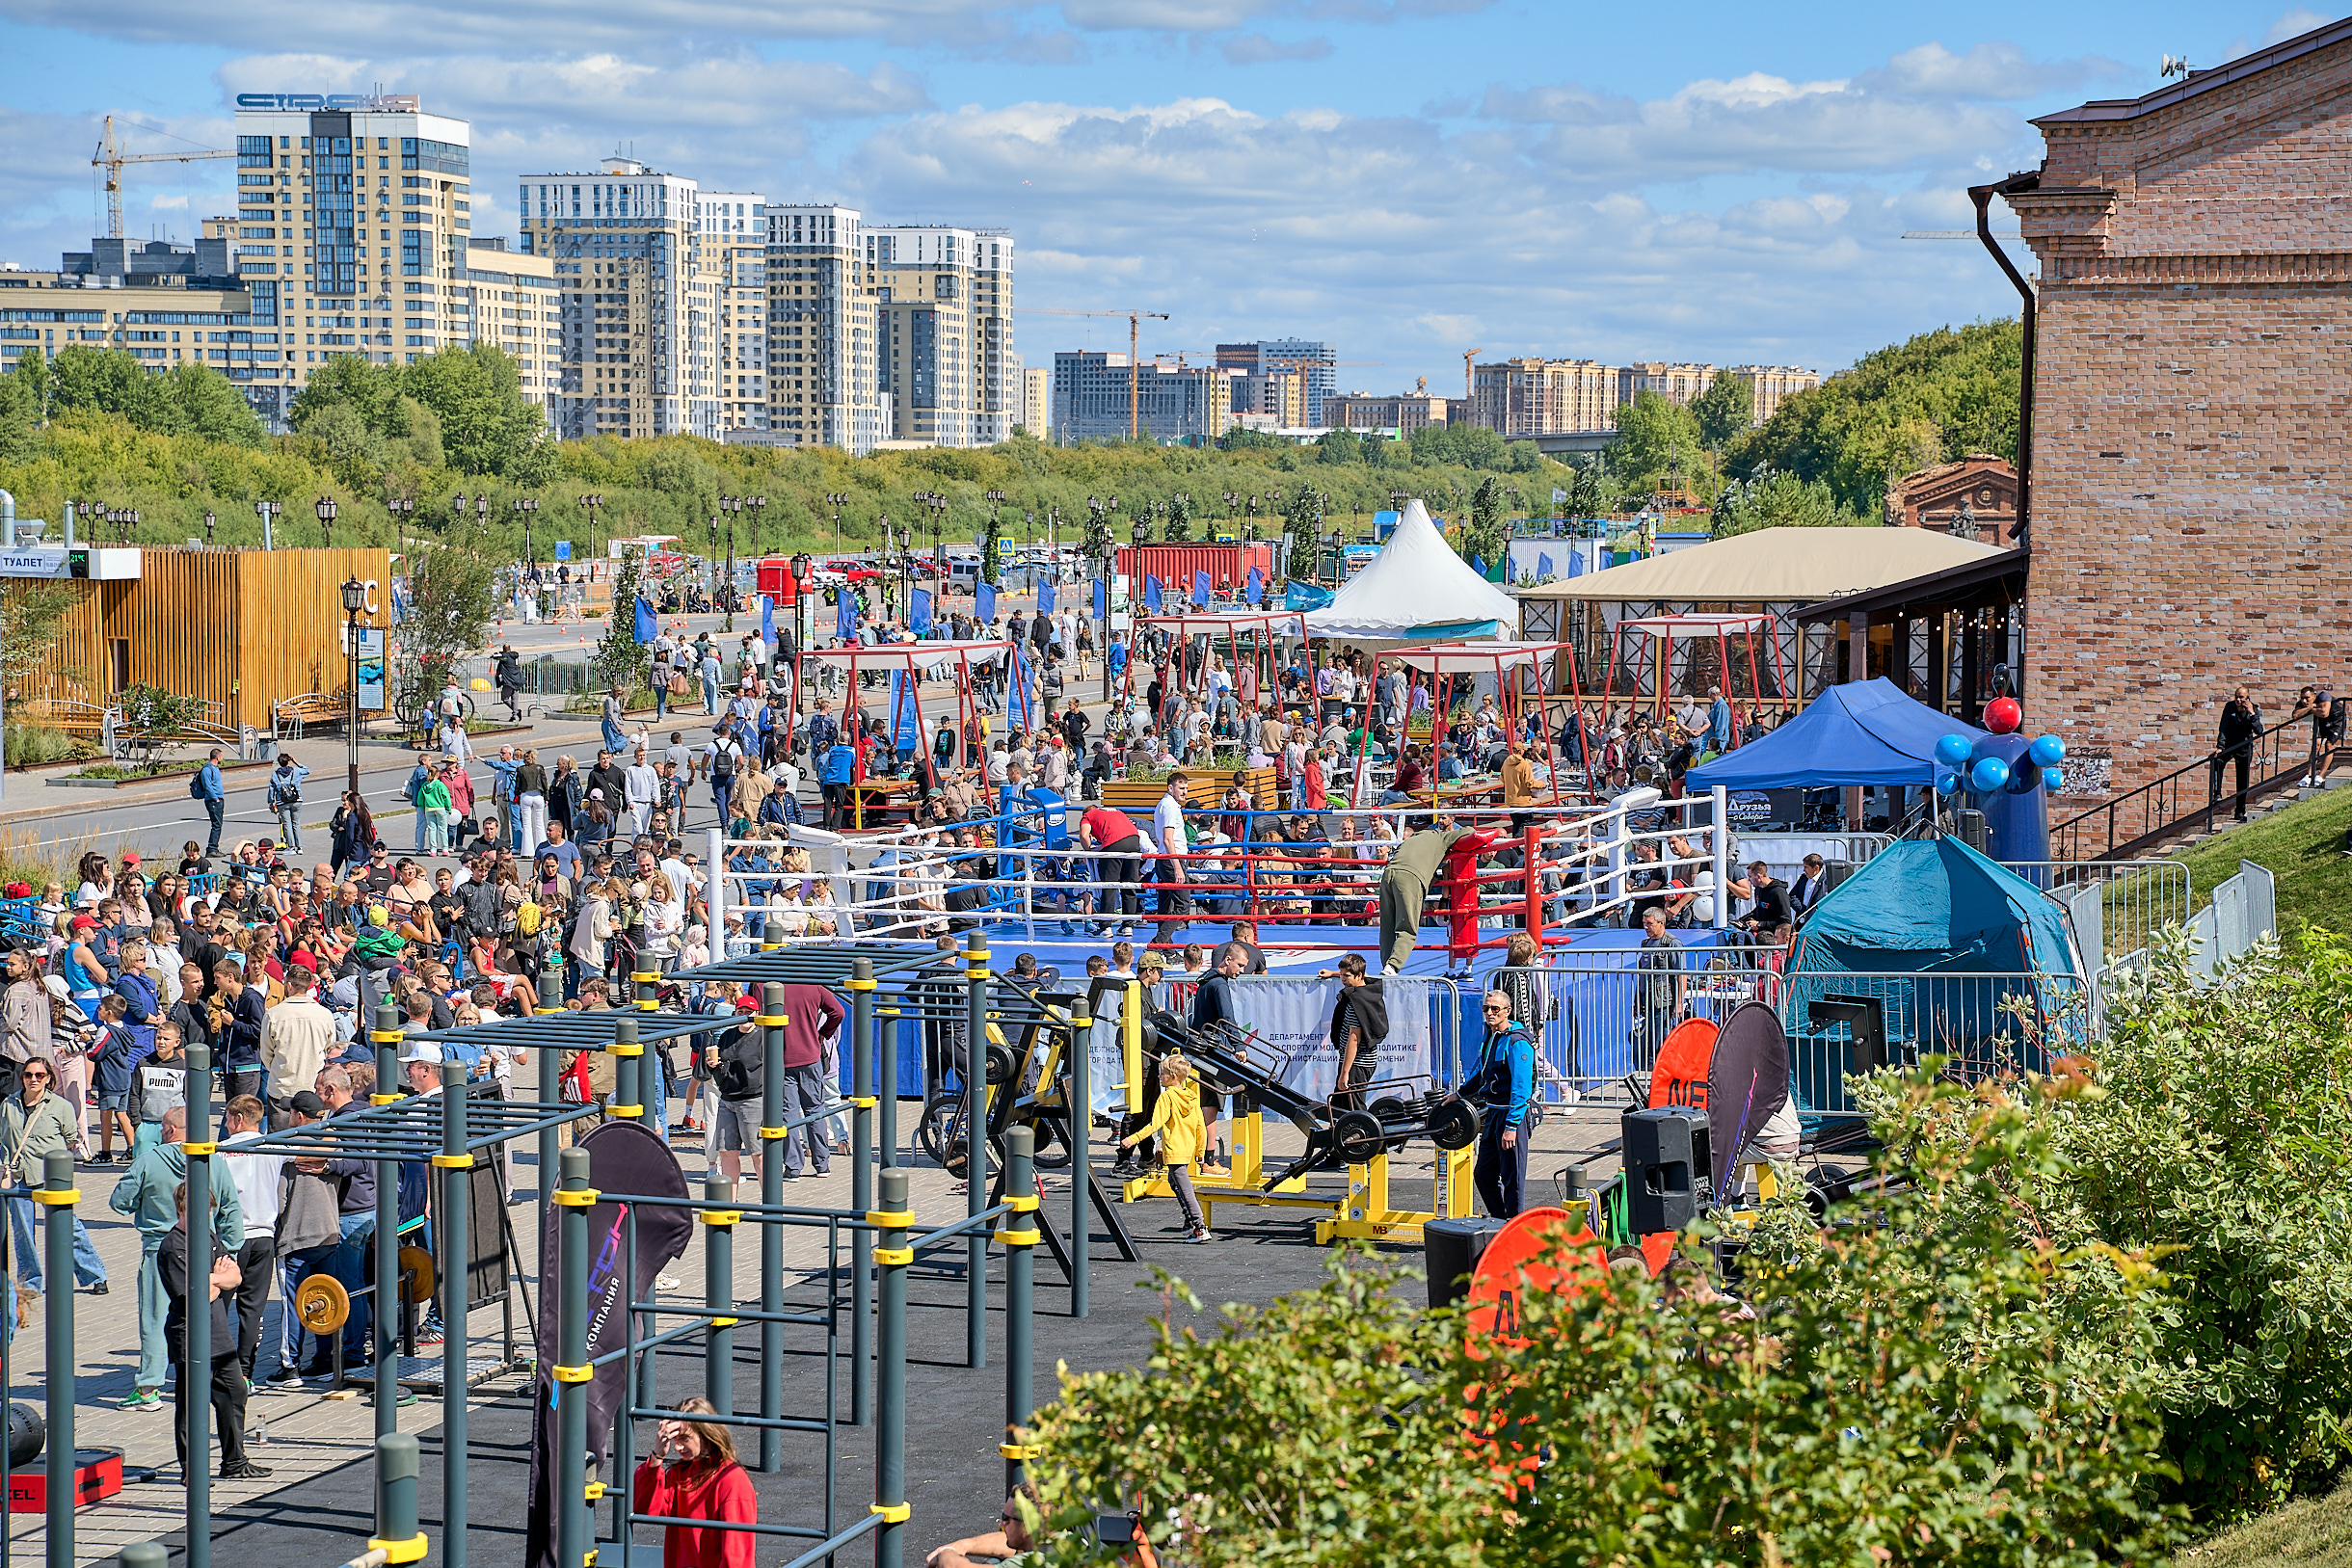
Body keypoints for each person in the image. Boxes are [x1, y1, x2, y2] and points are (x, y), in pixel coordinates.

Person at [111, 1104, 244, 1412]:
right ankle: (206, 1377)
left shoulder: (148, 1161)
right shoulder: (213, 1161)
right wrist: (231, 1253)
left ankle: (149, 1387)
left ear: (170, 1130)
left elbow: (119, 1202)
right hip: (207, 1250)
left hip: (160, 1248)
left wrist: (145, 1202)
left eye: (162, 1128)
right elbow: (231, 1209)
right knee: (206, 1316)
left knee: (155, 1318)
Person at [158, 1182, 269, 1481]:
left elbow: (235, 1276)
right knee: (191, 1404)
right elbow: (195, 1296)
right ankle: (191, 1469)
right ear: (182, 1210)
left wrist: (212, 1278)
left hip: (219, 1336)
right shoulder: (173, 1247)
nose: (206, 1217)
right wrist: (214, 1278)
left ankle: (234, 1462)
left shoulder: (207, 1236)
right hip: (191, 1337)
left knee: (235, 1392)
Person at [632, 1395, 758, 1568]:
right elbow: (645, 1509)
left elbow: (736, 1556)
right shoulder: (681, 1473)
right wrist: (656, 1457)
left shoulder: (732, 1480)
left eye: (685, 1439)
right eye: (675, 1439)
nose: (677, 1447)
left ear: (706, 1435)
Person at [218, 1094, 284, 1384]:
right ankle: (245, 1373)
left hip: (230, 1239)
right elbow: (312, 1154)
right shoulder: (275, 1146)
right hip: (264, 1237)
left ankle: (215, 1368)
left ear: (238, 1119)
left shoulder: (220, 1151)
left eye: (227, 1118)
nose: (226, 1124)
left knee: (218, 1306)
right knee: (252, 1309)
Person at [1120, 1053, 1212, 1243]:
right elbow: (1200, 1126)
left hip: (1175, 1151)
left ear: (1173, 1076)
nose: (1159, 1077)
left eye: (1162, 1074)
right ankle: (1190, 1223)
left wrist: (1132, 1139)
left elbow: (1155, 1124)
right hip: (1186, 1149)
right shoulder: (1192, 1097)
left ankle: (1199, 1226)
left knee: (1184, 1189)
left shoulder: (1167, 1098)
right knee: (1174, 1182)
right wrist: (1201, 1152)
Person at [1376, 815, 1481, 975]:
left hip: (1389, 874)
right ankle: (1393, 966)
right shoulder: (1441, 837)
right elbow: (1470, 831)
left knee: (1387, 927)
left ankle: (1386, 964)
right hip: (1409, 877)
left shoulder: (1411, 840)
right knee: (1408, 929)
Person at [1463, 991, 1535, 1220]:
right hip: (1493, 1114)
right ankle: (1501, 1219)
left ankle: (1515, 1226)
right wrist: (1458, 1094)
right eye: (1486, 1009)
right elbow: (1481, 1072)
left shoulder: (1517, 1042)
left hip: (1511, 1117)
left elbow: (1521, 1088)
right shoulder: (1491, 1035)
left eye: (1496, 1009)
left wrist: (1512, 1126)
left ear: (1508, 1011)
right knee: (1483, 1175)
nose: (1490, 1013)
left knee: (1512, 1179)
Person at [774, 983, 847, 1180]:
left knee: (787, 1114)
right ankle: (822, 1164)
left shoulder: (767, 986)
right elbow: (838, 1012)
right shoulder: (814, 986)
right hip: (811, 1055)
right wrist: (823, 1033)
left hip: (781, 1058)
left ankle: (793, 1167)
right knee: (815, 1110)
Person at [1317, 953, 1388, 1111]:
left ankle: (1364, 1134)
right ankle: (1336, 1133)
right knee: (1338, 1105)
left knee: (1354, 1107)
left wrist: (1345, 1073)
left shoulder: (1356, 1004)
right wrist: (1332, 973)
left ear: (1358, 975)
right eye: (1341, 975)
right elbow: (1363, 973)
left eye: (1346, 976)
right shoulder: (1369, 989)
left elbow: (1354, 1040)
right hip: (1359, 1062)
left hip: (1356, 1063)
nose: (1343, 979)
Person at [926, 1482, 1046, 1568]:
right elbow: (1007, 1541)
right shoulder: (1060, 1542)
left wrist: (946, 1552)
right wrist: (962, 1545)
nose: (1002, 1525)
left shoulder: (1029, 1562)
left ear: (1026, 1527)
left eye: (1006, 1519)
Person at [1635, 907, 1685, 1059]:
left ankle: (1663, 1064)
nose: (1645, 927)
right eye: (1644, 923)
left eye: (1649, 924)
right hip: (1647, 997)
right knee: (1651, 1032)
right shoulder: (1645, 944)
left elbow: (1681, 974)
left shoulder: (1672, 943)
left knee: (1661, 1033)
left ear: (1661, 923)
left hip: (1663, 999)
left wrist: (1679, 1003)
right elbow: (1641, 972)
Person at [2211, 684, 2263, 820]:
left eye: (2241, 697)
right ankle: (2217, 793)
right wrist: (2220, 746)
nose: (2238, 700)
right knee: (2218, 760)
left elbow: (2259, 730)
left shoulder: (2253, 710)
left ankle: (2240, 811)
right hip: (2229, 745)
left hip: (2244, 747)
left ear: (2247, 698)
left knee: (2242, 779)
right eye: (2237, 697)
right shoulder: (2229, 707)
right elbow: (2223, 727)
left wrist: (2251, 713)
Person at [267, 754, 310, 853]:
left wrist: (271, 802)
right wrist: (297, 762)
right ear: (288, 762)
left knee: (287, 824)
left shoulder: (275, 774)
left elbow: (271, 789)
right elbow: (307, 770)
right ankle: (299, 847)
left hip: (282, 802)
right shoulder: (296, 771)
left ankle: (291, 847)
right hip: (296, 800)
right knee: (296, 823)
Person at [196, 748, 227, 858]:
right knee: (216, 824)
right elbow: (207, 786)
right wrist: (215, 798)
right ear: (217, 757)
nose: (222, 758)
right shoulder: (207, 770)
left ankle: (214, 847)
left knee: (218, 824)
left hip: (217, 799)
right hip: (213, 801)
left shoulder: (215, 768)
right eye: (221, 756)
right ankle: (212, 849)